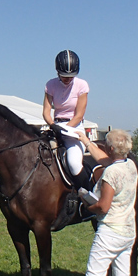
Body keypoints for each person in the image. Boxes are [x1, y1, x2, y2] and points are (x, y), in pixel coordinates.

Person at [77, 129, 138, 276]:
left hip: (110, 231)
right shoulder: (130, 165)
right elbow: (104, 159)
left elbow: (103, 206)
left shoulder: (110, 174)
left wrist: (86, 202)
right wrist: (85, 141)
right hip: (128, 231)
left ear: (111, 148)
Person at [43, 50, 91, 190]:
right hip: (56, 125)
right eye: (64, 76)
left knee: (74, 163)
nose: (68, 79)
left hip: (74, 128)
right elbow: (46, 111)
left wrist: (64, 130)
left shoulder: (81, 85)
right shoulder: (50, 85)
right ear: (57, 72)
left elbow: (79, 115)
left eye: (71, 76)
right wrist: (53, 126)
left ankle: (87, 197)